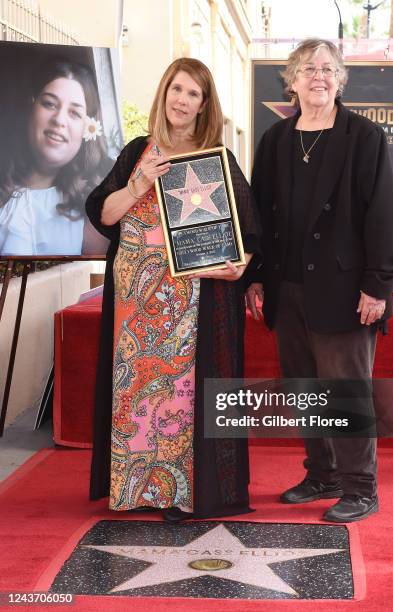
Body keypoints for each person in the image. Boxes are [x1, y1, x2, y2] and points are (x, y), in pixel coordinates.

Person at [86, 58, 260, 521]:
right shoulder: (136, 152)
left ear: (204, 106)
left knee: (182, 397)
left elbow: (251, 230)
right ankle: (136, 489)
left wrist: (240, 266)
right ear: (164, 93)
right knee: (135, 392)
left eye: (193, 94)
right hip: (134, 300)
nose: (182, 100)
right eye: (177, 90)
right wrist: (140, 183)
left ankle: (184, 493)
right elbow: (102, 214)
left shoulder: (216, 158)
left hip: (193, 296)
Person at [246, 38, 393, 523]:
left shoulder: (364, 138)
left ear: (339, 81)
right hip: (286, 287)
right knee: (304, 387)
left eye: (329, 68)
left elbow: (384, 217)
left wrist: (377, 285)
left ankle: (361, 488)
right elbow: (259, 216)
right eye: (309, 68)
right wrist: (256, 277)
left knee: (346, 390)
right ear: (291, 80)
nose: (319, 75)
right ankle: (323, 473)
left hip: (345, 290)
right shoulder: (275, 139)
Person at [0, 58, 111, 256]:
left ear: (88, 129)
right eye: (50, 104)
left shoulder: (93, 207)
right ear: (31, 107)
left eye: (74, 113)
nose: (59, 120)